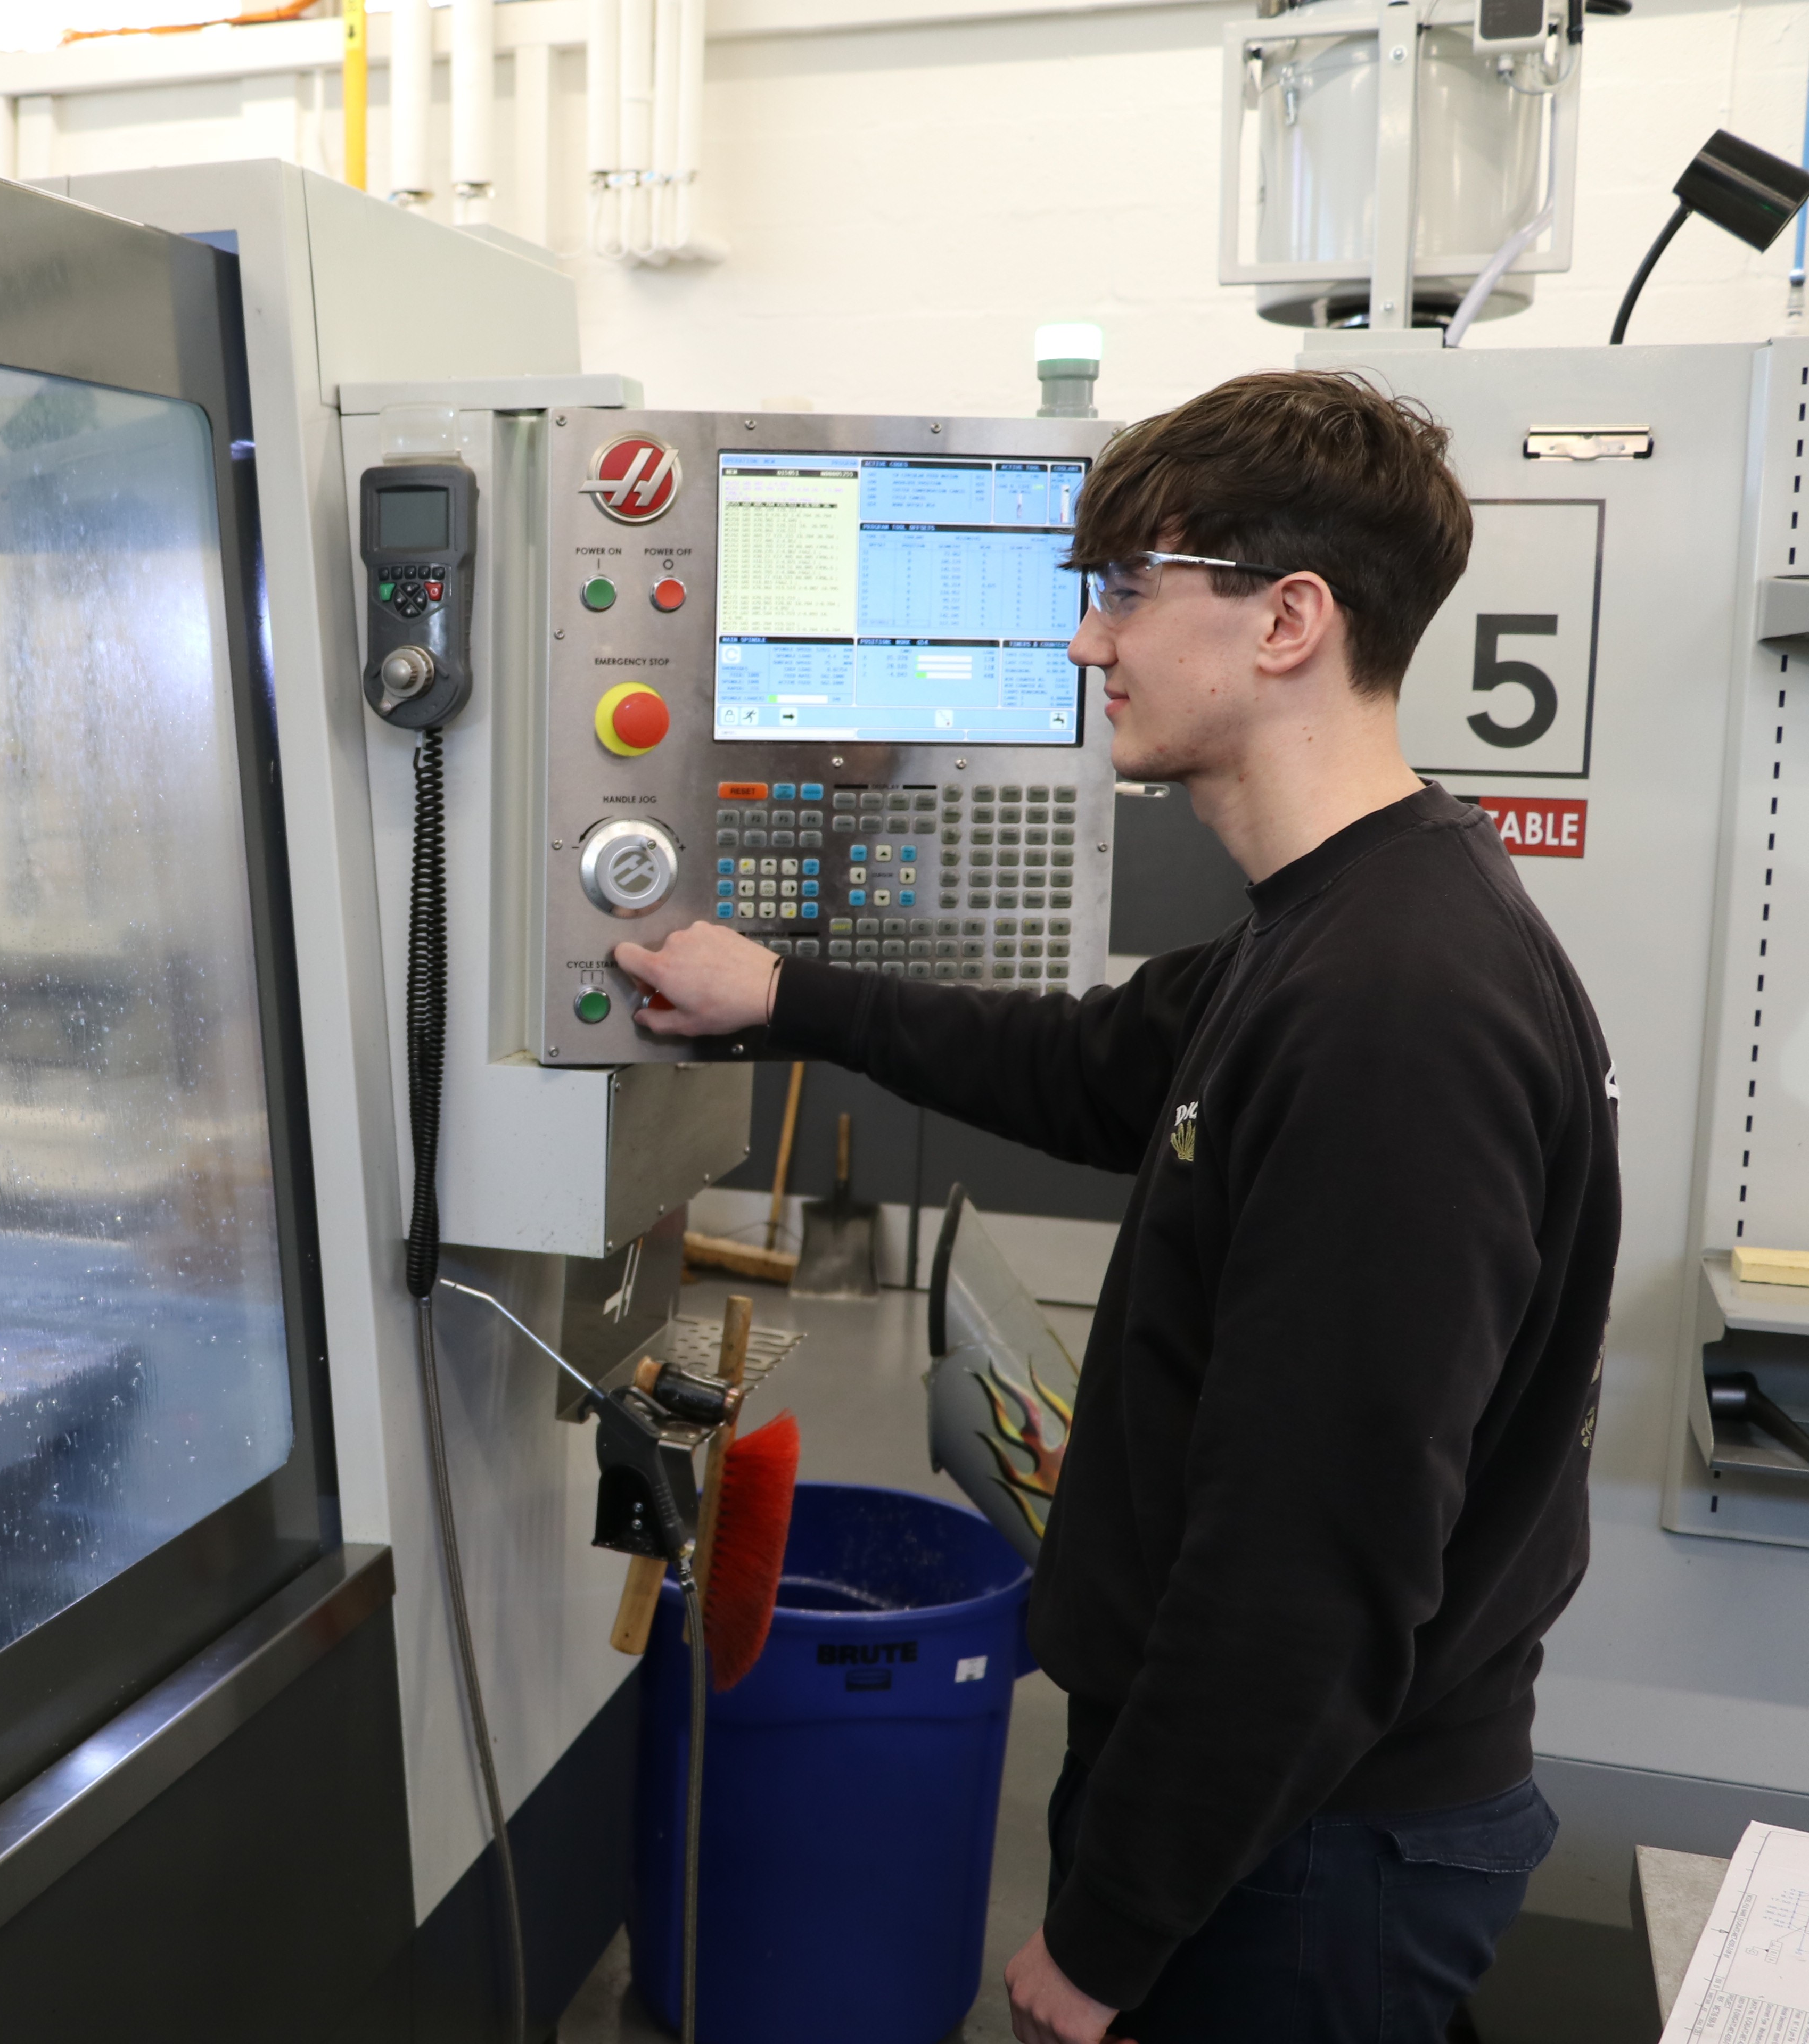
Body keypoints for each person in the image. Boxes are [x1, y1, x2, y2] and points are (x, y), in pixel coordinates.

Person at [613, 370, 1617, 2044]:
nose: (1091, 646)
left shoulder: (1393, 1011)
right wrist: (774, 991)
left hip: (1308, 1850)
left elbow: (1311, 1560)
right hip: (1282, 1807)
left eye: (1130, 590)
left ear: (1288, 619)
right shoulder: (1337, 926)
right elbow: (1087, 1067)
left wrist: (1108, 1936)